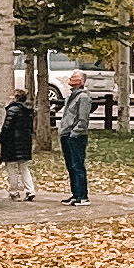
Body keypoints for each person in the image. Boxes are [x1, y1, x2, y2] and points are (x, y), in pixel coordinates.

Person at [54, 67, 95, 203]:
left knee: (77, 165)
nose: (70, 80)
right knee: (71, 166)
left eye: (74, 78)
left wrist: (74, 132)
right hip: (66, 134)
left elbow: (83, 119)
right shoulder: (70, 97)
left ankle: (82, 196)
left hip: (76, 136)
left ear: (80, 81)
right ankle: (75, 194)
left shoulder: (83, 97)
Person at [0, 82, 35, 199]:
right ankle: (30, 190)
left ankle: (14, 191)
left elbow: (7, 127)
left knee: (12, 168)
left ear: (16, 97)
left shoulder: (12, 110)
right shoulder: (28, 111)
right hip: (25, 142)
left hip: (12, 143)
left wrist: (2, 139)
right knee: (24, 167)